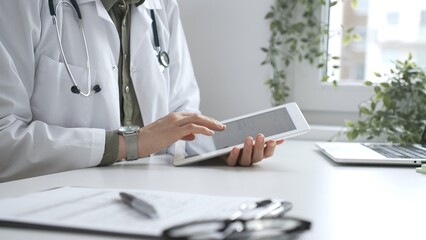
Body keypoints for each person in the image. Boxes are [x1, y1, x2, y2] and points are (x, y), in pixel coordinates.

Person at [0, 0, 283, 182]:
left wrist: (210, 153)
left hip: (152, 197)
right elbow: (5, 141)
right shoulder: (21, 6)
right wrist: (133, 143)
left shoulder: (162, 7)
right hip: (47, 203)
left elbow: (181, 121)